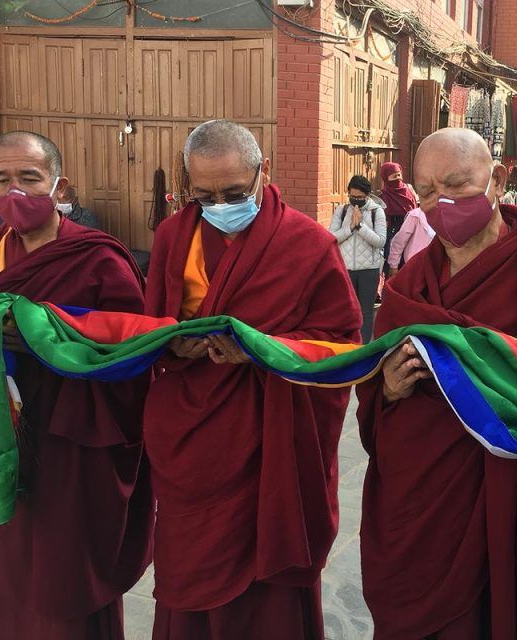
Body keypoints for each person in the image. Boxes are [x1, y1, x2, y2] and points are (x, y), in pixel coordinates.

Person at [358, 128, 517, 638]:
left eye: (457, 186)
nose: (442, 204)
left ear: (497, 179)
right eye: (427, 192)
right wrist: (387, 387)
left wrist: (505, 383)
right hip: (427, 505)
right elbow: (372, 399)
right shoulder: (410, 288)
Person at [144, 120, 360, 639]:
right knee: (189, 572)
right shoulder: (174, 235)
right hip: (191, 438)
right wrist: (171, 341)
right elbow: (152, 329)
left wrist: (262, 351)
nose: (220, 205)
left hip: (268, 440)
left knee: (267, 588)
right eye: (204, 195)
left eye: (235, 192)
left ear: (265, 174)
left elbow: (341, 346)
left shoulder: (307, 245)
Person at [0, 131, 152, 638]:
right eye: (2, 179)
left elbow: (132, 346)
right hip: (0, 430)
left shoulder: (99, 256)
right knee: (5, 560)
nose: (15, 191)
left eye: (29, 178)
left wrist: (50, 337)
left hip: (72, 436)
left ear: (57, 185)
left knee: (65, 569)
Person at [330, 174, 387, 342]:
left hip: (369, 269)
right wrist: (350, 227)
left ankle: (362, 347)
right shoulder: (341, 211)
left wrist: (361, 226)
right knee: (346, 310)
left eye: (360, 197)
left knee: (366, 312)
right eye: (352, 196)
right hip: (346, 268)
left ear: (367, 196)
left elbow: (381, 241)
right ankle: (347, 344)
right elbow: (331, 238)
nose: (355, 200)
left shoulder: (377, 212)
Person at [379, 162, 419, 273]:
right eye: (394, 176)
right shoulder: (383, 197)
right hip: (391, 235)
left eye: (399, 174)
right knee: (391, 270)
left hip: (412, 234)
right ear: (386, 178)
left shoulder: (409, 191)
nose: (398, 178)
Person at [387, 206, 435, 275]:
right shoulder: (416, 215)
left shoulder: (448, 215)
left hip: (436, 268)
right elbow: (399, 241)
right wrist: (393, 265)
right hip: (414, 267)